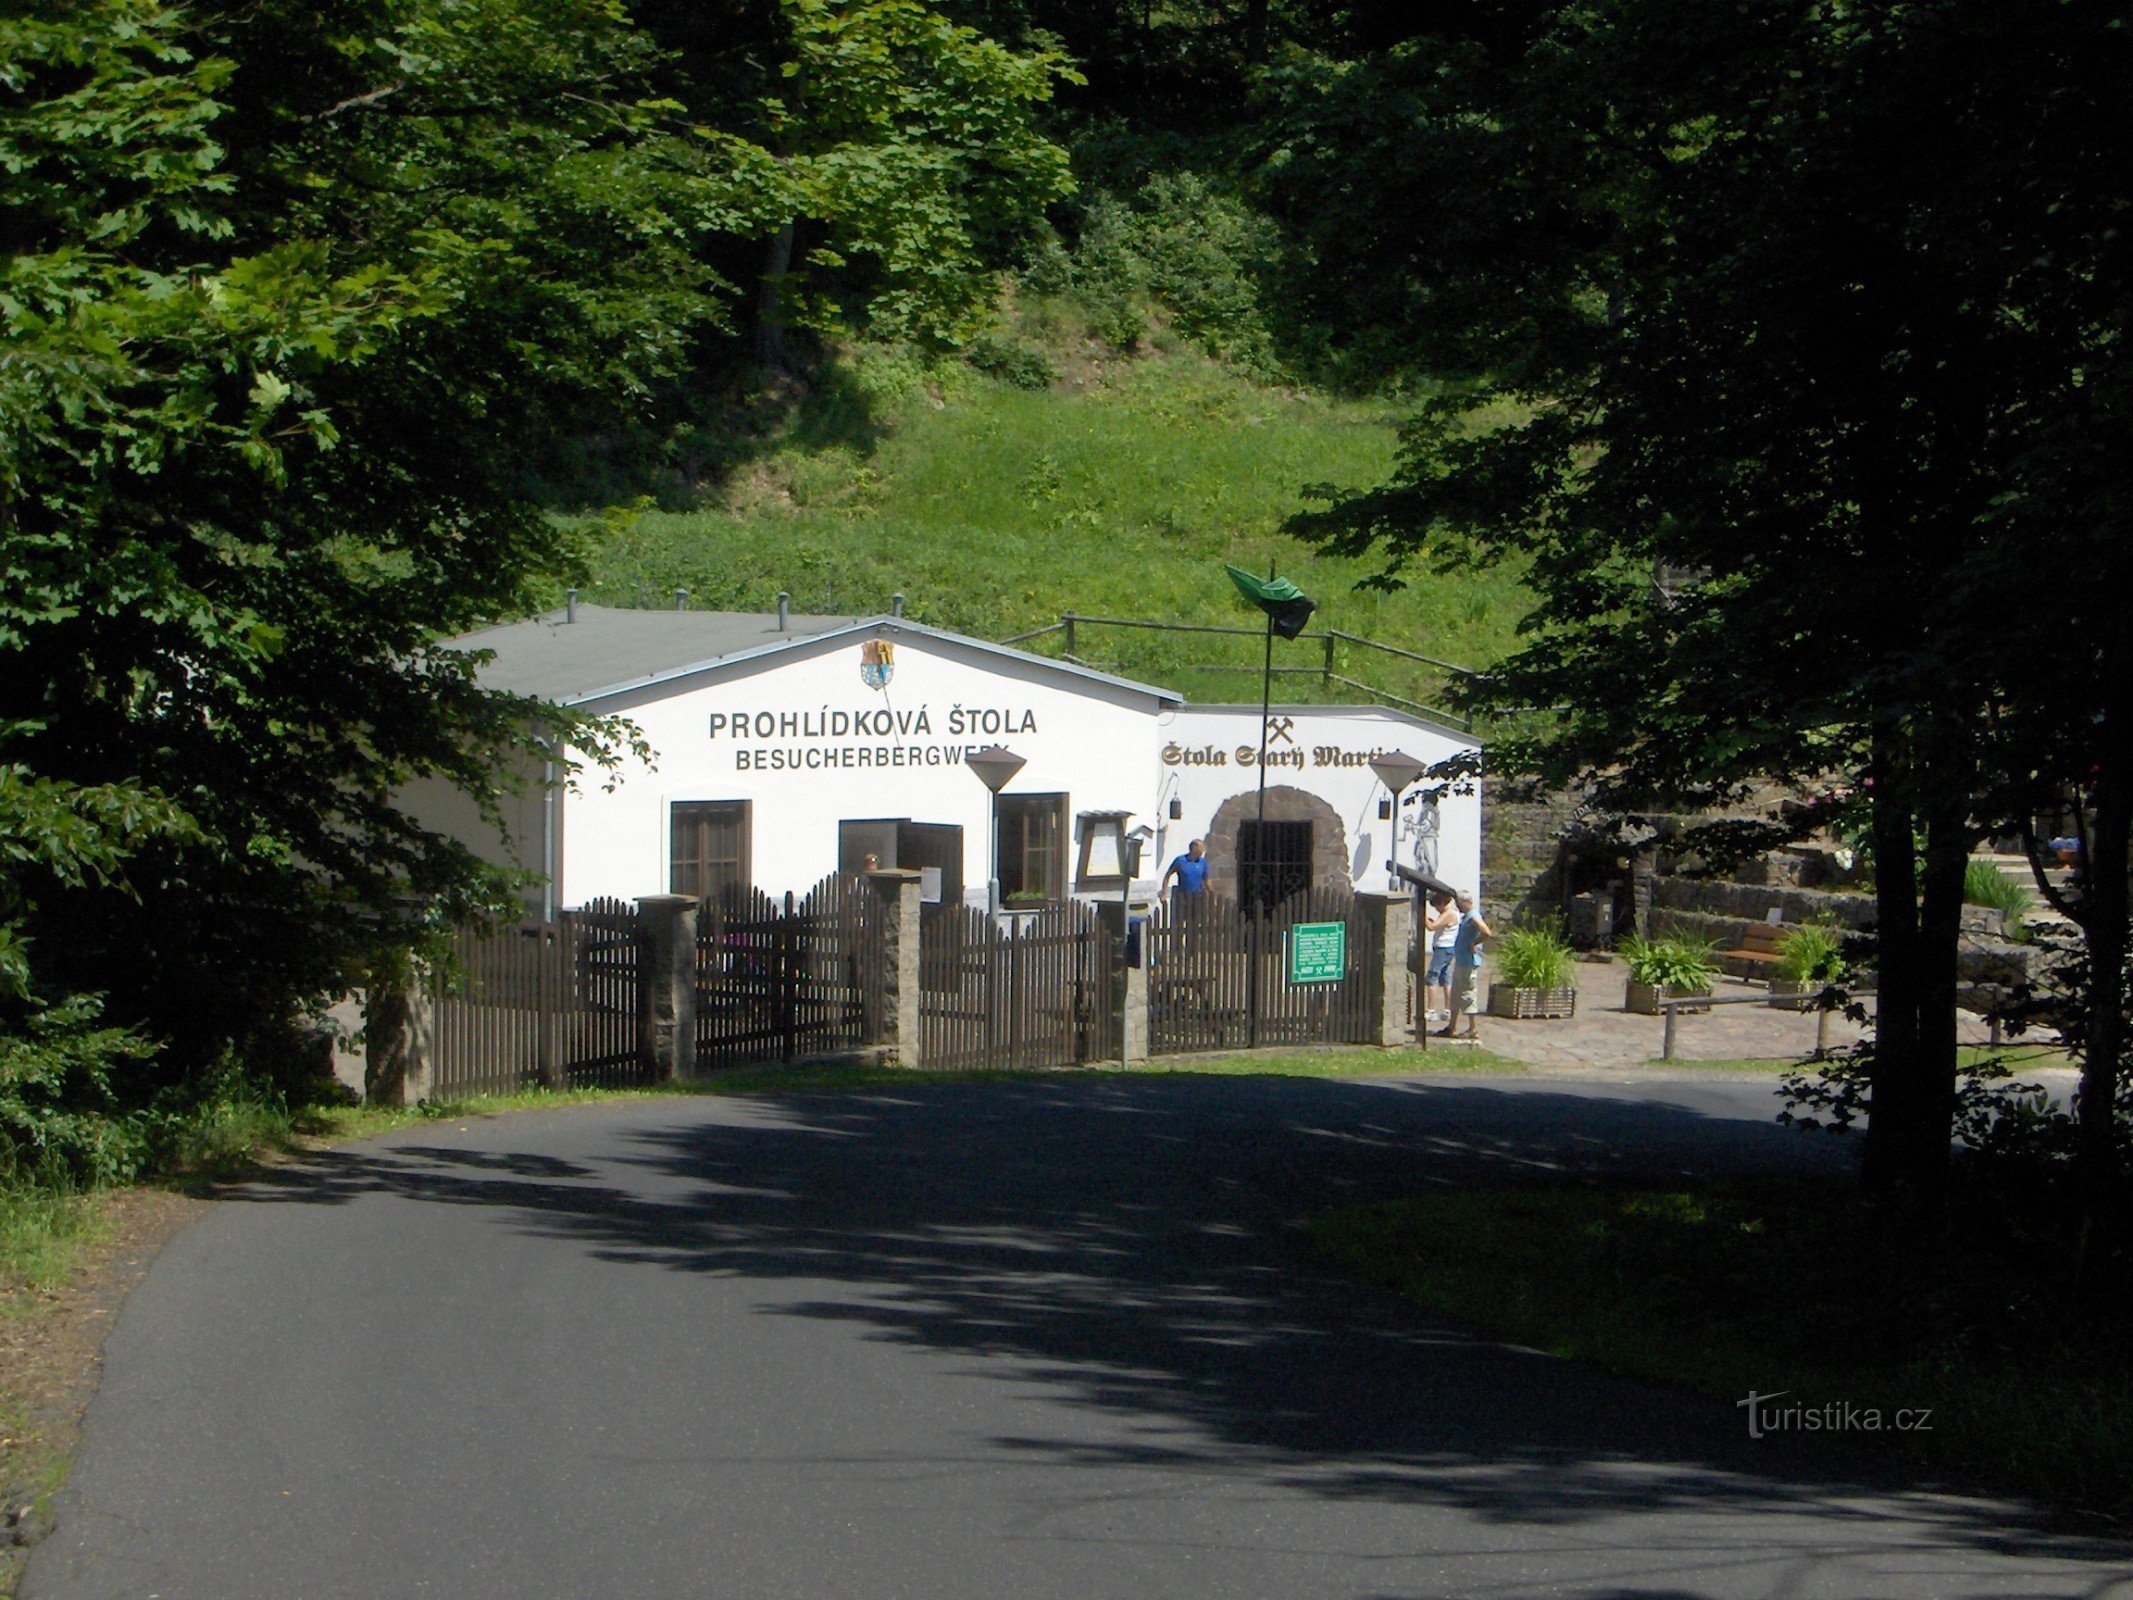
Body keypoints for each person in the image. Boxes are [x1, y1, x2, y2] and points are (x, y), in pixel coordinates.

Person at [1440, 890, 1493, 1039]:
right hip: (1462, 962)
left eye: (1459, 903)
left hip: (1468, 963)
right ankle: (1452, 1026)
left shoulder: (1473, 916)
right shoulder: (1467, 916)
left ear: (1466, 902)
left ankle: (1473, 1027)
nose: (1458, 906)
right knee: (1456, 995)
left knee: (1468, 994)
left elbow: (1486, 932)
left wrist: (1474, 943)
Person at [1422, 889, 1457, 1025]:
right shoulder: (1451, 913)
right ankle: (1447, 1009)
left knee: (1432, 977)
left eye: (1437, 906)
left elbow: (1431, 927)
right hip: (1448, 948)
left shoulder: (1449, 914)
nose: (1437, 910)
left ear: (1442, 903)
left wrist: (1422, 915)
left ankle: (1431, 1011)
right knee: (1445, 978)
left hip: (1443, 948)